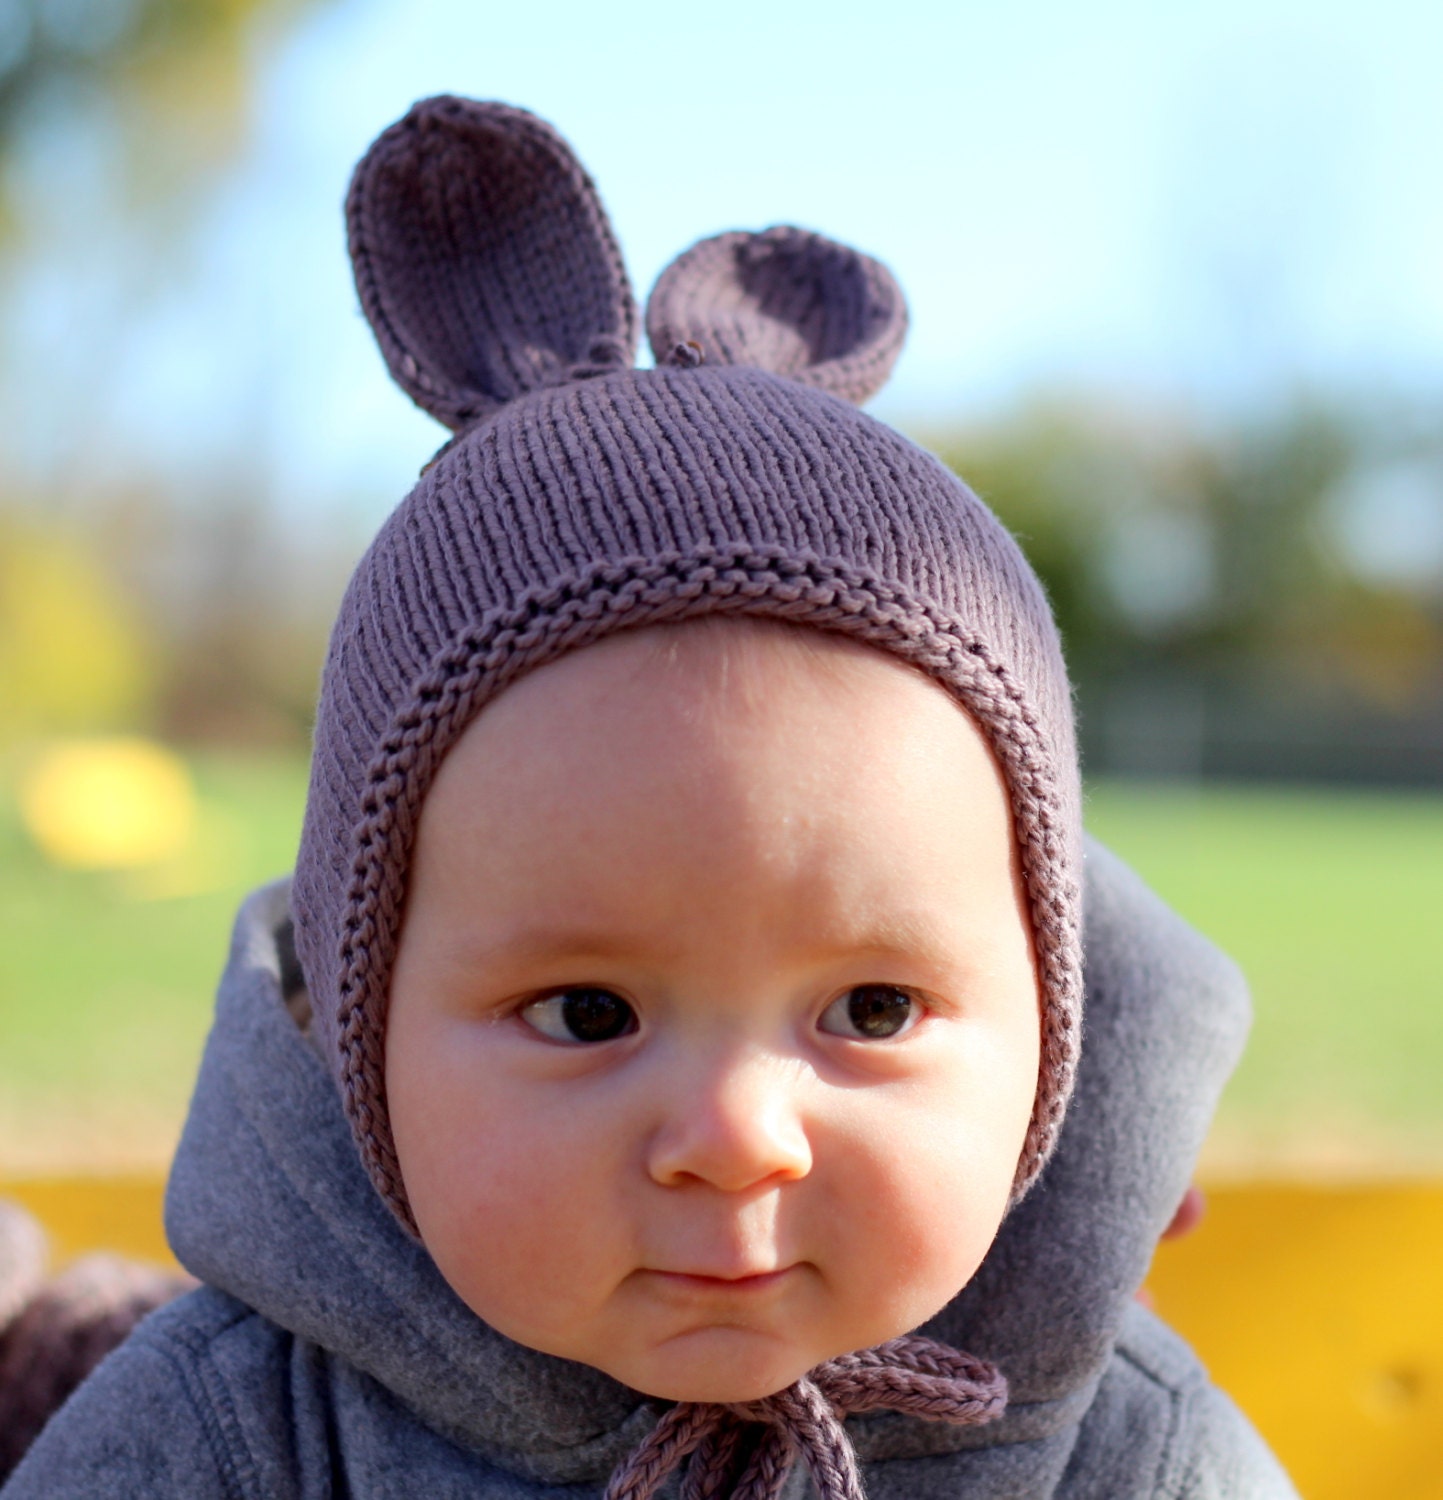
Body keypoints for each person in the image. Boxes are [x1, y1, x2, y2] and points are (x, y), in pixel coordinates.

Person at [2, 97, 1298, 1498]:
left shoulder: (1122, 1450)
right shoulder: (240, 1433)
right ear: (358, 1044)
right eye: (585, 1014)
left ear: (1050, 1039)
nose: (739, 1138)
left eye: (872, 1010)